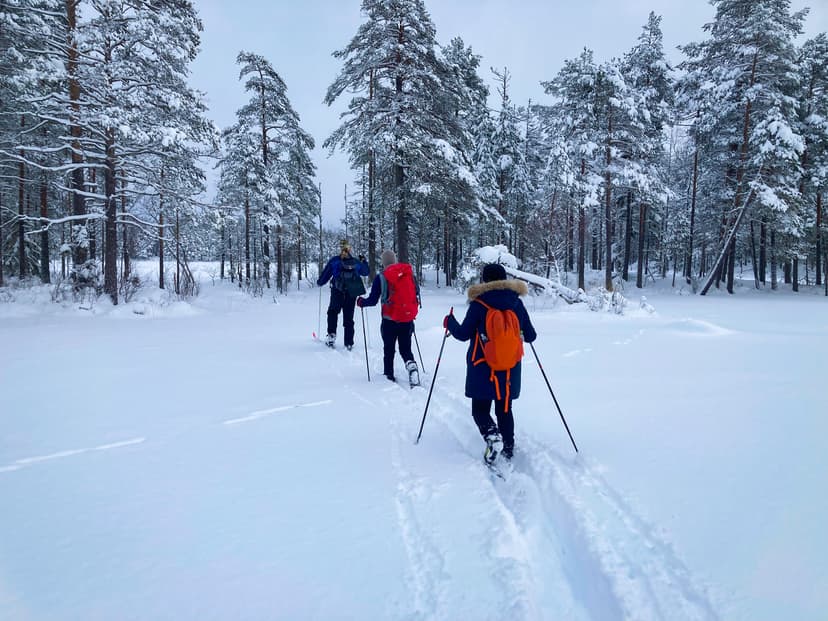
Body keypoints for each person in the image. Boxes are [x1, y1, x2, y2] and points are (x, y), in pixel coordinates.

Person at [444, 263, 536, 464]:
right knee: (504, 408)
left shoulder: (479, 304)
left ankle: (492, 436)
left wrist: (449, 322)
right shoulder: (516, 302)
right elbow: (531, 336)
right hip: (510, 368)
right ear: (504, 279)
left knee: (480, 410)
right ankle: (508, 447)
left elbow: (462, 334)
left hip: (482, 367)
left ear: (484, 280)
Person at [357, 249, 421, 385]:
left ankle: (389, 376)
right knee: (406, 348)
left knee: (389, 349)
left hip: (389, 319)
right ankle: (412, 366)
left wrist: (362, 302)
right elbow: (416, 292)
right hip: (407, 318)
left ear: (383, 263)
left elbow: (373, 300)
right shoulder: (408, 274)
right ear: (395, 260)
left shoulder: (381, 277)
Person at [317, 239, 369, 350]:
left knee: (333, 312)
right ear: (350, 249)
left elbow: (325, 276)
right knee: (349, 317)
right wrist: (363, 261)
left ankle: (331, 336)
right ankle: (349, 342)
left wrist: (320, 282)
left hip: (337, 291)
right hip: (352, 292)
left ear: (340, 248)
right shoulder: (356, 262)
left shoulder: (334, 261)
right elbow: (366, 272)